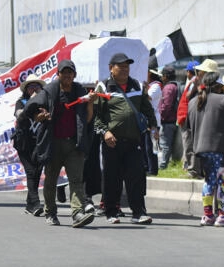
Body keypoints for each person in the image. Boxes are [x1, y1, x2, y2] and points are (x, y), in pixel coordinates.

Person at [22, 59, 96, 228]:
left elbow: (88, 120)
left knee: (76, 180)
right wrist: (39, 117)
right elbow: (33, 110)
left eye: (70, 72)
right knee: (51, 181)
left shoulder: (80, 92)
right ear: (58, 74)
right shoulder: (49, 92)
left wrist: (90, 103)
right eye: (64, 72)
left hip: (74, 145)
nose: (68, 75)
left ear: (75, 75)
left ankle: (77, 213)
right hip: (53, 144)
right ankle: (50, 212)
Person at [93, 52, 159, 224]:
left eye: (127, 66)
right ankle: (111, 212)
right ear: (111, 68)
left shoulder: (137, 85)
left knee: (136, 177)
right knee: (111, 178)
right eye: (120, 66)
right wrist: (105, 132)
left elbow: (147, 108)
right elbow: (97, 116)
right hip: (111, 142)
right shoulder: (103, 87)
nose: (124, 69)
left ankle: (138, 212)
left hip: (134, 141)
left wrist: (154, 126)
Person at [187, 71, 224, 227]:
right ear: (219, 86)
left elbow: (188, 125)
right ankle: (223, 216)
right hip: (222, 148)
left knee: (209, 181)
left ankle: (207, 215)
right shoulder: (223, 100)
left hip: (201, 149)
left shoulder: (192, 102)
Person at [13, 73, 45, 216]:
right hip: (24, 143)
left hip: (39, 143)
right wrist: (31, 103)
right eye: (31, 87)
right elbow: (19, 115)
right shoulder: (21, 102)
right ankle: (36, 203)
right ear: (26, 89)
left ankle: (29, 204)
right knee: (30, 171)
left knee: (37, 172)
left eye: (37, 86)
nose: (34, 89)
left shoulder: (44, 103)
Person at [157, 66, 180, 172]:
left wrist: (162, 116)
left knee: (165, 144)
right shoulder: (175, 86)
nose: (161, 78)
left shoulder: (168, 87)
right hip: (173, 119)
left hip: (168, 120)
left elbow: (166, 105)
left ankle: (163, 166)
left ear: (166, 76)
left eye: (162, 75)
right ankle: (167, 164)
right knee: (168, 144)